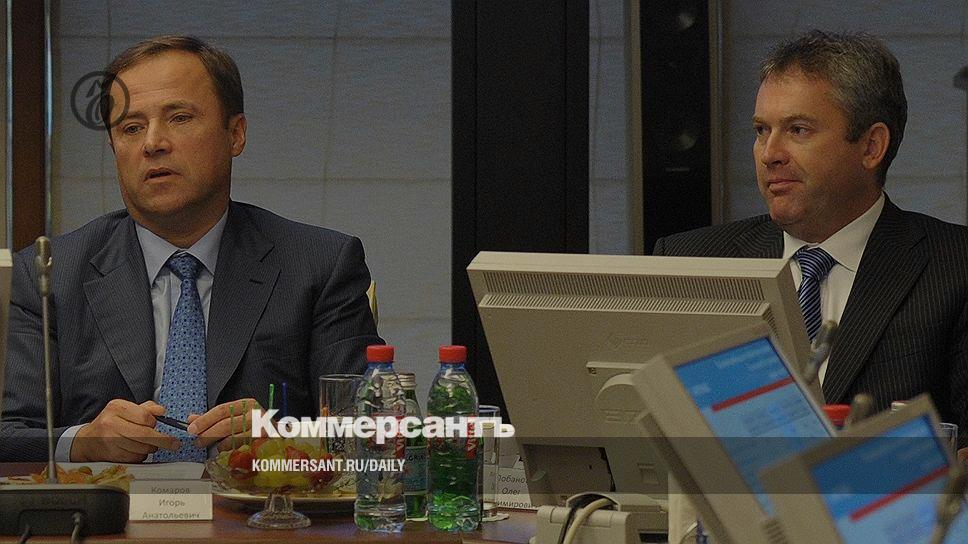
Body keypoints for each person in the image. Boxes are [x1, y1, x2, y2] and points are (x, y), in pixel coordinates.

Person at [0, 36, 382, 462]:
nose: (152, 143)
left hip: (258, 503)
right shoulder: (46, 274)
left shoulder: (319, 264)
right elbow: (9, 433)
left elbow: (372, 432)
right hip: (112, 503)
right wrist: (81, 441)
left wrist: (284, 437)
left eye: (179, 118)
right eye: (131, 128)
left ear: (235, 134)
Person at [655, 30, 968, 441]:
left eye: (798, 130)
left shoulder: (955, 267)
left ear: (871, 147)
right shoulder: (691, 262)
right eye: (761, 130)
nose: (770, 154)